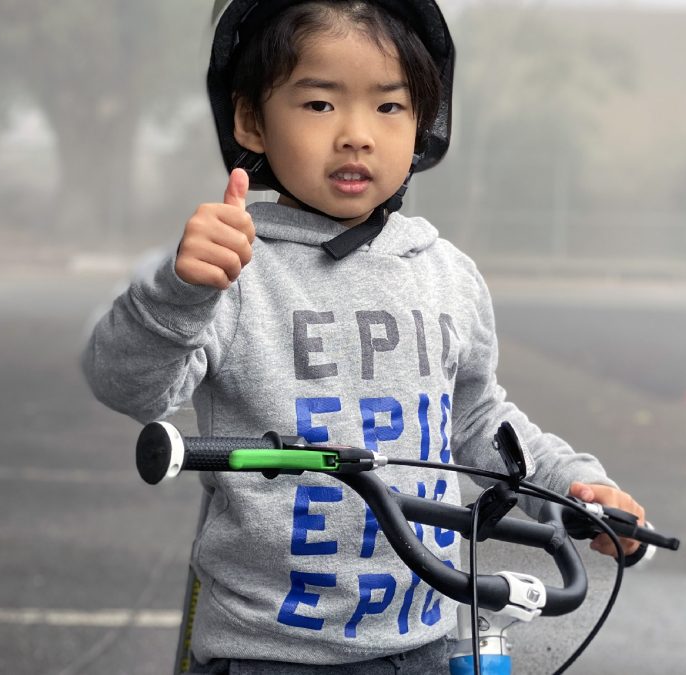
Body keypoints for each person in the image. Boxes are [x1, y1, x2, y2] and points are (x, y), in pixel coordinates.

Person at [81, 1, 647, 671]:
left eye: (389, 106)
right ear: (251, 120)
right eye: (320, 104)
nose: (357, 135)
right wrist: (179, 291)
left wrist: (573, 486)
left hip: (425, 640)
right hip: (270, 653)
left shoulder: (446, 274)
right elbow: (127, 385)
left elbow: (476, 420)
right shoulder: (233, 269)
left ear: (423, 122)